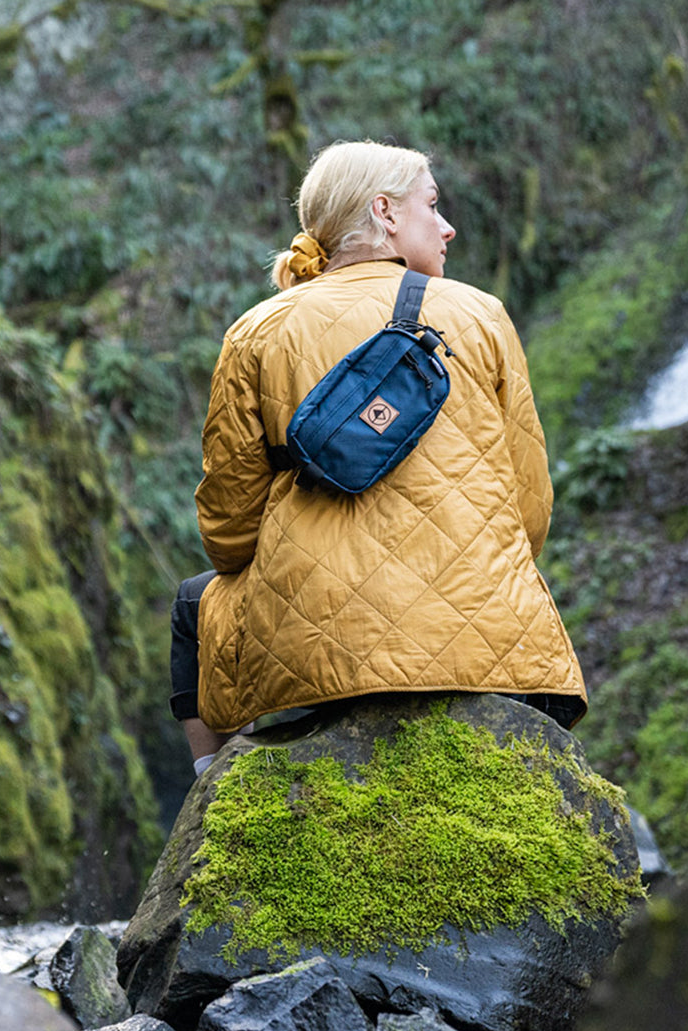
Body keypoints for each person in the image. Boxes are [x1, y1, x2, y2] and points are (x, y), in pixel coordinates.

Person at [170, 139, 587, 776]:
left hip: (312, 650)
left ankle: (219, 794)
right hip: (492, 637)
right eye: (433, 205)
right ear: (386, 213)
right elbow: (529, 513)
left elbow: (228, 535)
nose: (447, 226)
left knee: (192, 605)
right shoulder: (483, 315)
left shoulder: (255, 333)